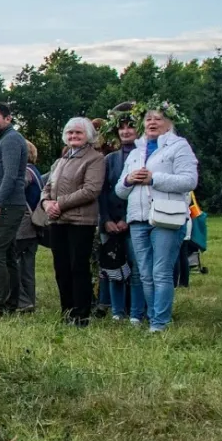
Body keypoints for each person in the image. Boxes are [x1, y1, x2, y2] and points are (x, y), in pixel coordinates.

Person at [116, 100, 199, 333]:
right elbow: (119, 190)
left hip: (166, 216)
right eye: (148, 118)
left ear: (169, 122)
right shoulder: (135, 151)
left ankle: (159, 322)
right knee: (144, 273)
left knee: (160, 271)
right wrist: (128, 180)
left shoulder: (179, 146)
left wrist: (155, 178)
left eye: (158, 118)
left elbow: (189, 181)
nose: (152, 122)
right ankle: (153, 316)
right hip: (137, 218)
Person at [40, 118, 106, 327]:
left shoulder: (95, 159)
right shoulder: (61, 160)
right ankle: (66, 310)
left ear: (87, 135)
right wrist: (45, 203)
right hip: (58, 221)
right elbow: (47, 186)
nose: (73, 137)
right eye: (70, 133)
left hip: (80, 221)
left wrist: (59, 203)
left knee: (78, 267)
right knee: (61, 268)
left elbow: (91, 190)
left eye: (78, 133)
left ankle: (81, 314)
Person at [0, 102, 30, 317]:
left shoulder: (11, 140)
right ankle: (11, 303)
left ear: (8, 118)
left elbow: (11, 176)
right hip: (3, 206)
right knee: (8, 256)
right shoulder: (5, 140)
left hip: (8, 206)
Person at [99, 104, 145, 322]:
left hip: (134, 220)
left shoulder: (145, 157)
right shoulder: (110, 159)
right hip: (109, 221)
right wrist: (106, 219)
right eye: (122, 127)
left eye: (131, 127)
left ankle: (136, 312)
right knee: (113, 267)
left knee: (137, 269)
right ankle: (117, 311)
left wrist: (127, 219)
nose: (126, 131)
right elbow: (102, 191)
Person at [13, 141, 43, 313]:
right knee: (27, 266)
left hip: (22, 226)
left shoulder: (24, 172)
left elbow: (16, 189)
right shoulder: (35, 171)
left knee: (12, 262)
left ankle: (22, 300)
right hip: (33, 226)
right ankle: (29, 300)